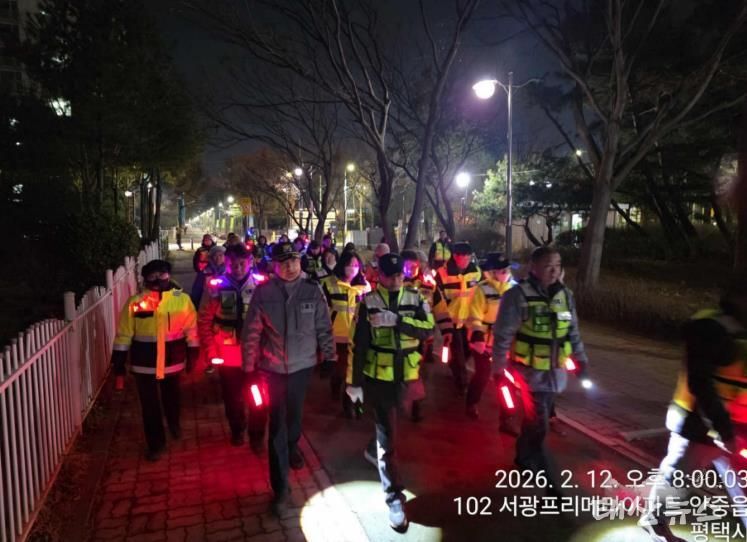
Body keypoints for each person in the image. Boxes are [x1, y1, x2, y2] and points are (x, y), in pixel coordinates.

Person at [640, 279, 747, 542]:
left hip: (732, 424)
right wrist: (723, 429)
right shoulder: (712, 328)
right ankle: (655, 522)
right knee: (679, 475)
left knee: (735, 481)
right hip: (702, 422)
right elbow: (701, 382)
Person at [241, 241, 336, 516]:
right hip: (271, 369)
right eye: (283, 262)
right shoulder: (263, 293)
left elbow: (324, 327)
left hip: (302, 367)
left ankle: (293, 445)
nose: (290, 266)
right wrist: (248, 368)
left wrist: (330, 357)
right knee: (277, 425)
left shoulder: (312, 290)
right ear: (274, 266)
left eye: (293, 261)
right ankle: (280, 489)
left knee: (294, 415)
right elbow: (251, 334)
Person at [347, 253, 435, 533]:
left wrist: (397, 321)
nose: (396, 280)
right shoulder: (368, 303)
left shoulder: (416, 299)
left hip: (407, 375)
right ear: (380, 276)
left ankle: (374, 448)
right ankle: (394, 498)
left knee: (393, 428)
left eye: (399, 275)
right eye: (390, 276)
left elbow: (428, 330)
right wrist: (354, 382)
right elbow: (358, 345)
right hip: (379, 377)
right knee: (389, 439)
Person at [492, 246, 589, 479]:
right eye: (547, 266)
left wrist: (581, 360)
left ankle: (524, 455)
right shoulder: (517, 296)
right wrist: (498, 368)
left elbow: (573, 332)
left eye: (557, 265)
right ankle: (538, 467)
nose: (554, 271)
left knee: (535, 419)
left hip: (555, 374)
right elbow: (503, 334)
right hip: (529, 373)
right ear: (533, 267)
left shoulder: (565, 296)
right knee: (539, 422)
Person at [111, 260, 199, 461]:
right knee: (149, 407)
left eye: (162, 274)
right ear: (145, 278)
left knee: (172, 398)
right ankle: (156, 444)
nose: (158, 279)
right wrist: (119, 363)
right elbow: (124, 334)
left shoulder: (182, 299)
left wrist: (193, 352)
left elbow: (191, 328)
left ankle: (174, 423)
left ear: (169, 275)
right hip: (145, 364)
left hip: (172, 361)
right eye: (153, 275)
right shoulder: (135, 302)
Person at [198, 245, 267, 451]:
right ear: (225, 263)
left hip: (255, 356)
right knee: (232, 399)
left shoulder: (261, 286)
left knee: (258, 397)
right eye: (232, 264)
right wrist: (211, 352)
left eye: (242, 263)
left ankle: (257, 434)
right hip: (227, 357)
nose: (237, 268)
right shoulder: (215, 288)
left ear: (250, 262)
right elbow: (204, 321)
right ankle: (237, 429)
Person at [465, 253, 514, 421]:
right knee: (483, 374)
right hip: (483, 342)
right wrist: (478, 336)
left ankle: (507, 416)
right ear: (492, 272)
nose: (505, 273)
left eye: (507, 269)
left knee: (504, 379)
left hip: (504, 343)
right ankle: (471, 402)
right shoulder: (482, 289)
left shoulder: (514, 290)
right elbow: (475, 314)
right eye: (501, 270)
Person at [433, 241, 481, 396]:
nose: (466, 259)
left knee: (467, 351)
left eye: (468, 256)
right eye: (463, 256)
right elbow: (438, 299)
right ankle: (462, 384)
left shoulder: (476, 272)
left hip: (469, 321)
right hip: (451, 321)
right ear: (455, 256)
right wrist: (443, 322)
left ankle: (455, 368)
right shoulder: (442, 273)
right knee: (458, 353)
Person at [320, 250, 364, 416]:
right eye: (349, 264)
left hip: (356, 336)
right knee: (340, 370)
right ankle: (335, 387)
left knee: (351, 371)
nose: (353, 268)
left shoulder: (363, 287)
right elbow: (322, 311)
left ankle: (348, 404)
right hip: (336, 335)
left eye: (356, 265)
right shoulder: (329, 284)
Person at [401, 250, 437, 422]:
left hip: (420, 336)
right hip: (398, 335)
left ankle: (416, 405)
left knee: (415, 370)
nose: (411, 269)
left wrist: (447, 330)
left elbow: (439, 307)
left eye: (414, 266)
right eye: (407, 266)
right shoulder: (394, 283)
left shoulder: (428, 284)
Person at [191, 245, 226, 314]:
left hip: (225, 309)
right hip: (207, 309)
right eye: (215, 255)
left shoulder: (229, 272)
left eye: (221, 255)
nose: (218, 258)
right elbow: (196, 291)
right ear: (211, 257)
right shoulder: (204, 273)